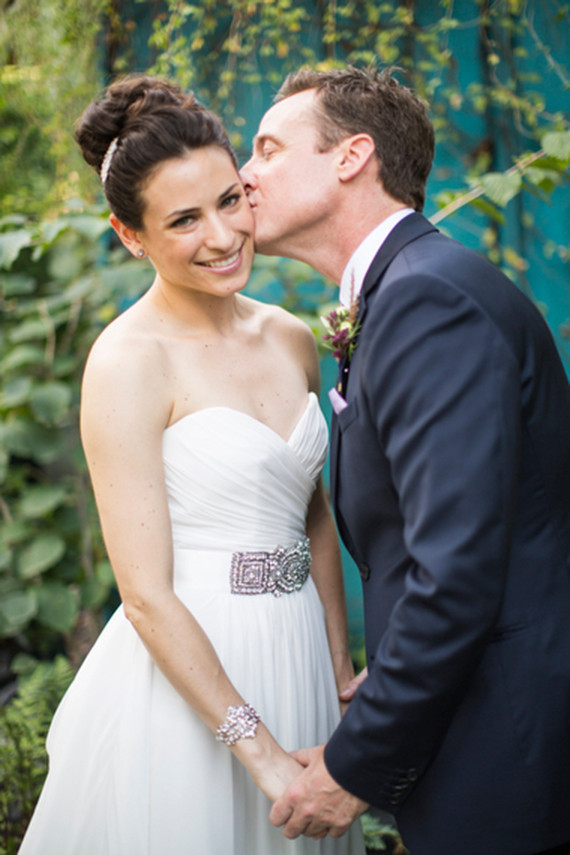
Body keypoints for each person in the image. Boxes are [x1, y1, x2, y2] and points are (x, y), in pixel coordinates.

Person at [18, 75, 365, 855]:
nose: (222, 235)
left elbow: (312, 514)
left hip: (298, 649)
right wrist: (262, 752)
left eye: (229, 200)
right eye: (183, 220)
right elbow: (142, 594)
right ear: (129, 234)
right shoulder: (126, 362)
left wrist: (339, 675)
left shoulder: (291, 337)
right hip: (195, 676)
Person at [240, 66, 570, 855]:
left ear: (353, 156)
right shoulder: (402, 294)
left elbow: (454, 572)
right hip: (469, 728)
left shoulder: (429, 301)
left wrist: (356, 765)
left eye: (267, 149)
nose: (243, 175)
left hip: (506, 749)